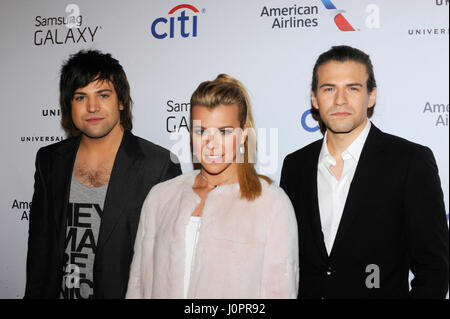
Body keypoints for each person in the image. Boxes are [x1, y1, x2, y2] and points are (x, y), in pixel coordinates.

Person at [280, 45, 449, 299]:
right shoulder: (295, 165)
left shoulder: (410, 161)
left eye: (353, 88)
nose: (340, 100)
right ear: (314, 99)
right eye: (329, 89)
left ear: (371, 96)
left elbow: (434, 268)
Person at [24, 50, 182, 299]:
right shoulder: (49, 160)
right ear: (69, 105)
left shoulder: (159, 165)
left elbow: (168, 261)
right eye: (80, 97)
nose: (92, 107)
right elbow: (39, 249)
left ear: (121, 101)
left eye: (103, 94)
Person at [126, 74, 299, 299]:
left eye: (224, 132)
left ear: (243, 133)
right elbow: (139, 286)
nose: (211, 144)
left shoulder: (271, 204)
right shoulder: (161, 197)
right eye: (201, 131)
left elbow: (279, 293)